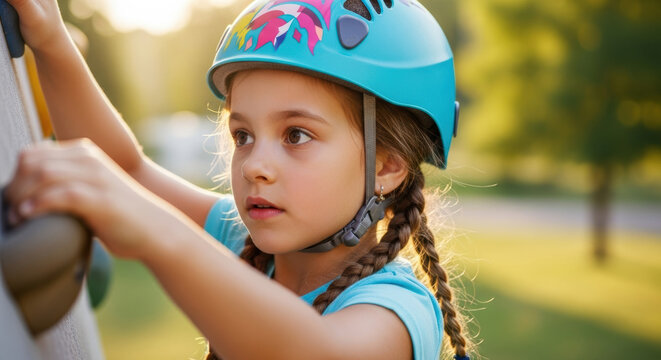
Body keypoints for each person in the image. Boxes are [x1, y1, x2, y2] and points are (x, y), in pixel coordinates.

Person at [4, 0, 472, 359]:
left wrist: (156, 231)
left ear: (387, 166)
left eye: (296, 135)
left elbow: (313, 351)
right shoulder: (245, 241)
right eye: (243, 134)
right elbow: (126, 169)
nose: (253, 165)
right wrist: (50, 39)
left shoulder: (396, 311)